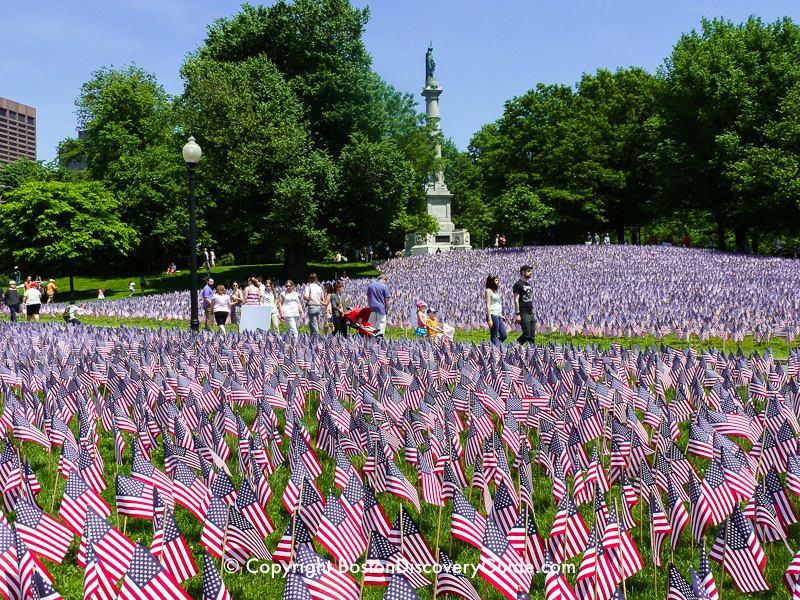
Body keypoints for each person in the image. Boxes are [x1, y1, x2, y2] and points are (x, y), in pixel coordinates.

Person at [513, 265, 536, 346]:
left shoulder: (529, 285)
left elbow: (530, 300)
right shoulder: (518, 284)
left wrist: (533, 312)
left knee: (532, 337)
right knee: (526, 335)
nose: (531, 272)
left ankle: (531, 352)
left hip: (530, 313)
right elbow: (516, 300)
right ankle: (514, 346)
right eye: (529, 271)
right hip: (523, 313)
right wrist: (518, 314)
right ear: (523, 272)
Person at [485, 275, 506, 346]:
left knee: (504, 335)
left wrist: (501, 314)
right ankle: (496, 350)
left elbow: (498, 304)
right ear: (491, 281)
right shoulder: (488, 291)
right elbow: (488, 305)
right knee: (494, 335)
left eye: (498, 280)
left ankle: (494, 345)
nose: (498, 282)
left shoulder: (496, 292)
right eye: (496, 280)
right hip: (492, 315)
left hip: (498, 315)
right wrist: (489, 319)